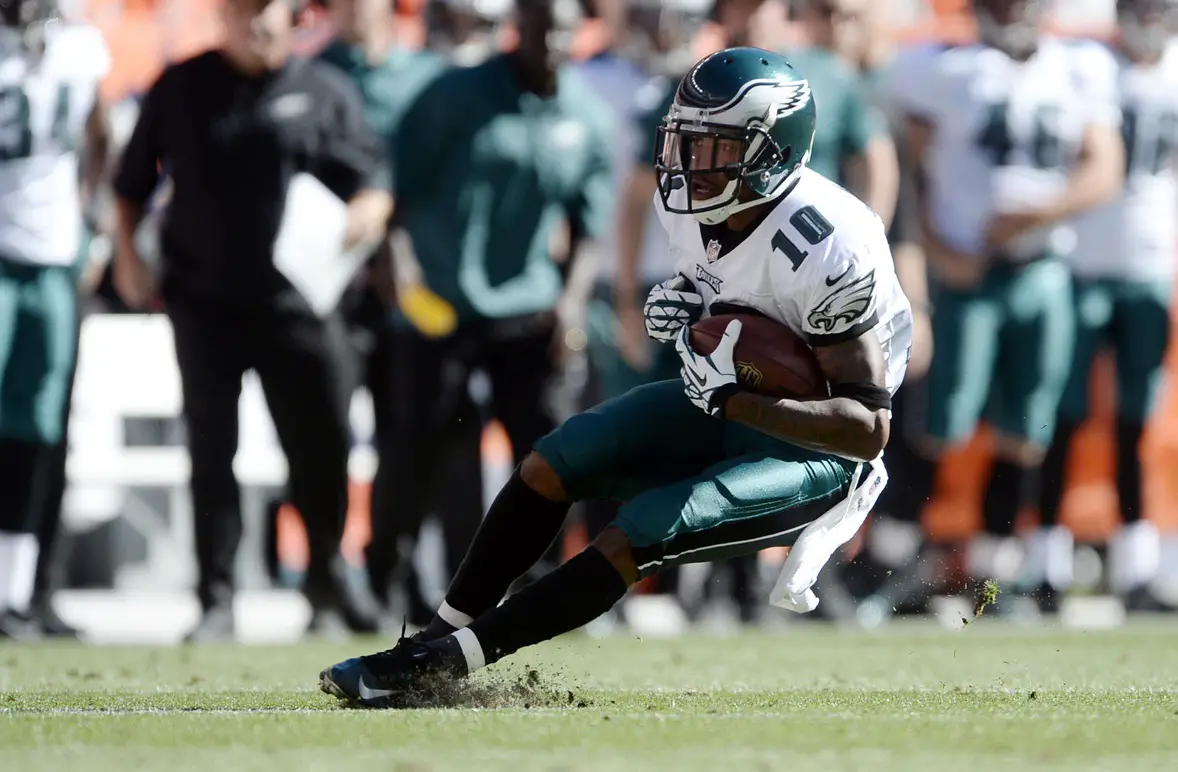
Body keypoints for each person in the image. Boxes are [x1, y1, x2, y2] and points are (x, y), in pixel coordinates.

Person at [320, 46, 913, 707]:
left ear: (768, 151)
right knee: (554, 461)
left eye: (712, 147)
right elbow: (746, 312)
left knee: (640, 530)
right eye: (683, 140)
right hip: (728, 403)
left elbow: (867, 428)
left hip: (816, 449)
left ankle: (441, 667)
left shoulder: (829, 243)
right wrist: (694, 307)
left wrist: (737, 399)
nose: (687, 162)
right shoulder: (696, 206)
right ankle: (433, 639)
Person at [112, 0, 393, 641]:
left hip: (299, 308)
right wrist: (128, 252)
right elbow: (131, 183)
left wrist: (369, 211)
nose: (258, 23)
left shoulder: (324, 89)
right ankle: (215, 599)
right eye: (245, 11)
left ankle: (327, 582)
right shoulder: (182, 87)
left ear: (294, 17)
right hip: (203, 302)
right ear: (225, 18)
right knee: (212, 451)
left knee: (318, 449)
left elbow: (373, 176)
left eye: (270, 11)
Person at [359, 0, 615, 613]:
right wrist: (401, 272)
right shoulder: (453, 95)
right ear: (516, 25)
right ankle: (384, 576)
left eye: (562, 24)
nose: (551, 36)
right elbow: (397, 193)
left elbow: (589, 224)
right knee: (419, 446)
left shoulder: (586, 114)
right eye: (538, 22)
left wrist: (572, 304)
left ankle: (539, 587)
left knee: (545, 454)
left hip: (526, 311)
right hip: (440, 307)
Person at [888, 0, 1124, 602]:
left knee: (1028, 429)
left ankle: (992, 573)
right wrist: (936, 250)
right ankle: (901, 564)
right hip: (967, 273)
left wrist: (1034, 216)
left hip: (1042, 270)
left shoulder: (1079, 66)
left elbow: (1105, 168)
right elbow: (906, 174)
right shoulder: (946, 68)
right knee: (943, 420)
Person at [1033, 0, 1178, 612]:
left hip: (1150, 267)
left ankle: (1136, 565)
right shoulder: (1082, 63)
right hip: (1081, 262)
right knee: (1060, 414)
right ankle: (1045, 562)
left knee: (1135, 421)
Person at [0, 2, 111, 640]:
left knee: (38, 431)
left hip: (52, 261)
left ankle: (17, 594)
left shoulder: (81, 46)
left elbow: (100, 136)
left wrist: (87, 221)